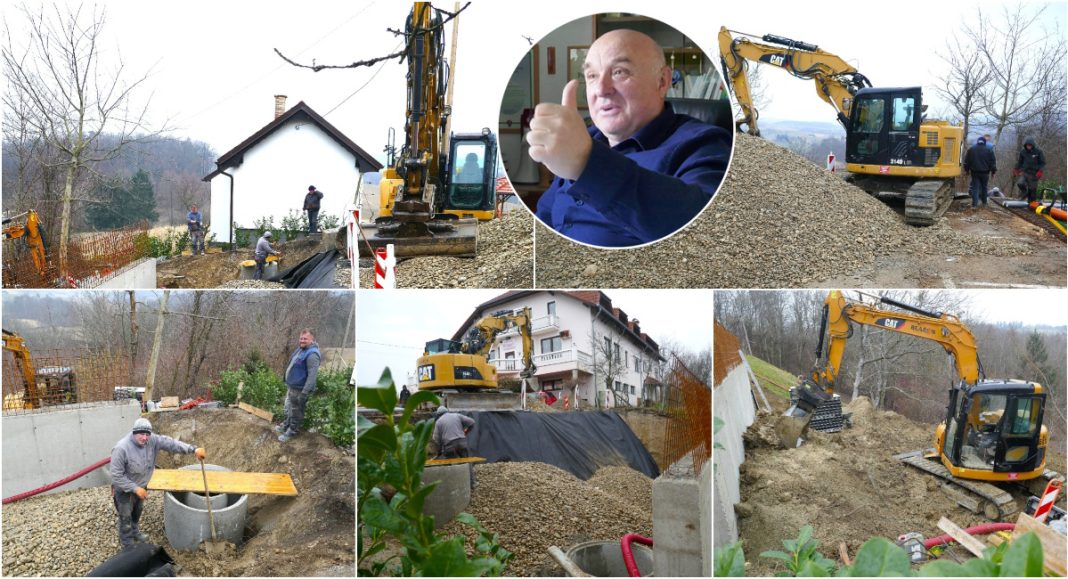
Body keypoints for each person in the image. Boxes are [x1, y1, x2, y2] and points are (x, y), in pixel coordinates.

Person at [528, 29, 732, 247]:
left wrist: (588, 164)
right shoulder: (584, 139)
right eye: (592, 76)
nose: (601, 89)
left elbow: (703, 234)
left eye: (619, 72)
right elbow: (544, 219)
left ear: (662, 81)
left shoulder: (706, 144)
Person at [111, 418, 205, 549]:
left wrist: (193, 449)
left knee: (137, 511)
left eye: (147, 434)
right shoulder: (121, 448)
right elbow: (116, 476)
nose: (145, 438)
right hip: (124, 490)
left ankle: (135, 532)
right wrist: (135, 488)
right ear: (134, 432)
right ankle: (127, 545)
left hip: (142, 486)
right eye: (141, 434)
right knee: (125, 517)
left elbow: (171, 444)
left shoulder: (152, 440)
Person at [277, 328, 321, 442]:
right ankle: (286, 425)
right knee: (288, 408)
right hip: (292, 387)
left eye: (305, 339)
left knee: (296, 411)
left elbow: (312, 376)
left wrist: (305, 392)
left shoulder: (312, 355)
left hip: (300, 389)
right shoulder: (301, 350)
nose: (302, 340)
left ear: (312, 340)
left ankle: (292, 431)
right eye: (301, 338)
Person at [432, 405, 476, 488]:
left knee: (450, 464)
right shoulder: (456, 415)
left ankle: (454, 485)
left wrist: (439, 450)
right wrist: (466, 432)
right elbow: (472, 422)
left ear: (438, 415)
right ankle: (472, 483)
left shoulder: (439, 422)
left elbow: (436, 439)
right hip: (462, 442)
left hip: (449, 445)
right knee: (467, 462)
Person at [963, 136, 997, 207]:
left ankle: (974, 205)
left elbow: (967, 162)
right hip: (985, 173)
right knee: (984, 187)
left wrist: (967, 170)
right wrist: (993, 172)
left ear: (977, 142)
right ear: (984, 142)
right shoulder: (989, 150)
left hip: (975, 172)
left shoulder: (971, 149)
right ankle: (984, 203)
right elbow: (993, 163)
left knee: (975, 188)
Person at [1013, 137, 1046, 204]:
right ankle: (1025, 193)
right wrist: (1016, 169)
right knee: (1020, 183)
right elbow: (1020, 162)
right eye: (1027, 145)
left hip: (1034, 173)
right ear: (1025, 145)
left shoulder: (1038, 152)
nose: (1029, 146)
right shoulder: (1023, 152)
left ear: (1033, 145)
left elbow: (1042, 163)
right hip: (1025, 172)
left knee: (1032, 190)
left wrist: (1040, 171)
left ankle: (1031, 203)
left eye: (1030, 145)